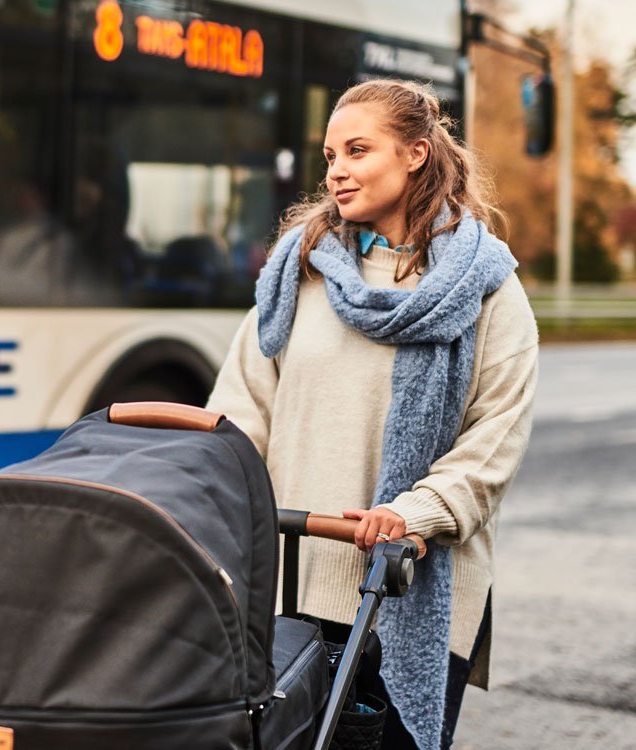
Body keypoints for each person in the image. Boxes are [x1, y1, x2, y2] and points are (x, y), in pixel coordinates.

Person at [205, 79, 538, 750]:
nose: (337, 171)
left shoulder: (489, 291)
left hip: (405, 585)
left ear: (416, 153)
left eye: (357, 150)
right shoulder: (296, 277)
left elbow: (493, 443)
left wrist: (412, 515)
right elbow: (239, 412)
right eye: (329, 156)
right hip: (286, 586)